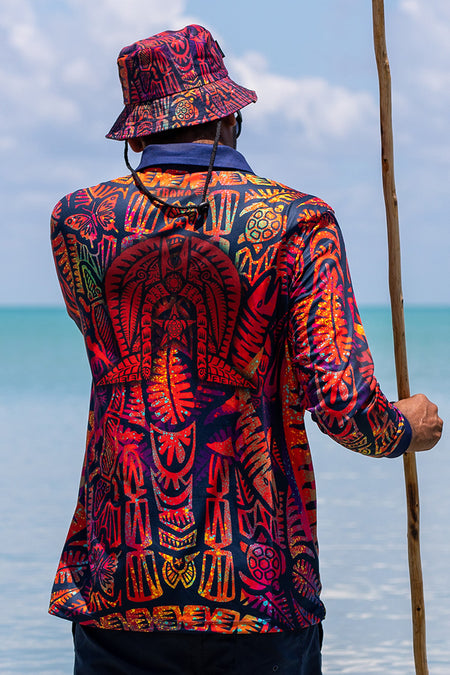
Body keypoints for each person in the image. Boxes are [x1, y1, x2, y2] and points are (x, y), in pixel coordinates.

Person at [49, 24, 442, 675]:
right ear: (231, 116)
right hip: (260, 588)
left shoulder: (76, 222)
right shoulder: (298, 222)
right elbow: (343, 406)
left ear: (136, 136)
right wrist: (405, 427)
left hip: (116, 581)